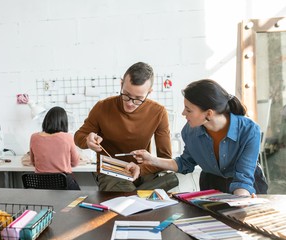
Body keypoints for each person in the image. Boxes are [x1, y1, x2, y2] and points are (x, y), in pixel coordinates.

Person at [131, 79, 267, 196]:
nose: (183, 113)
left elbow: (243, 177)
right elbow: (184, 163)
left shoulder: (249, 130)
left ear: (208, 113)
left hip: (247, 188)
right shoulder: (189, 132)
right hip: (211, 185)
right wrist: (152, 160)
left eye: (188, 110)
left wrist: (241, 202)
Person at [74, 62, 172, 191]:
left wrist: (141, 169)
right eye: (126, 94)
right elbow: (78, 137)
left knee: (163, 189)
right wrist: (87, 140)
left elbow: (165, 158)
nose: (130, 103)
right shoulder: (102, 107)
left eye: (138, 99)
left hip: (144, 171)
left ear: (149, 92)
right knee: (127, 198)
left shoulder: (158, 112)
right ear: (121, 84)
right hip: (110, 171)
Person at [29, 106, 81, 190]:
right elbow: (75, 163)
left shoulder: (34, 137)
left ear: (46, 121)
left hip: (41, 186)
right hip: (64, 186)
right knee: (80, 197)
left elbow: (33, 162)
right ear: (64, 122)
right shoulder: (67, 137)